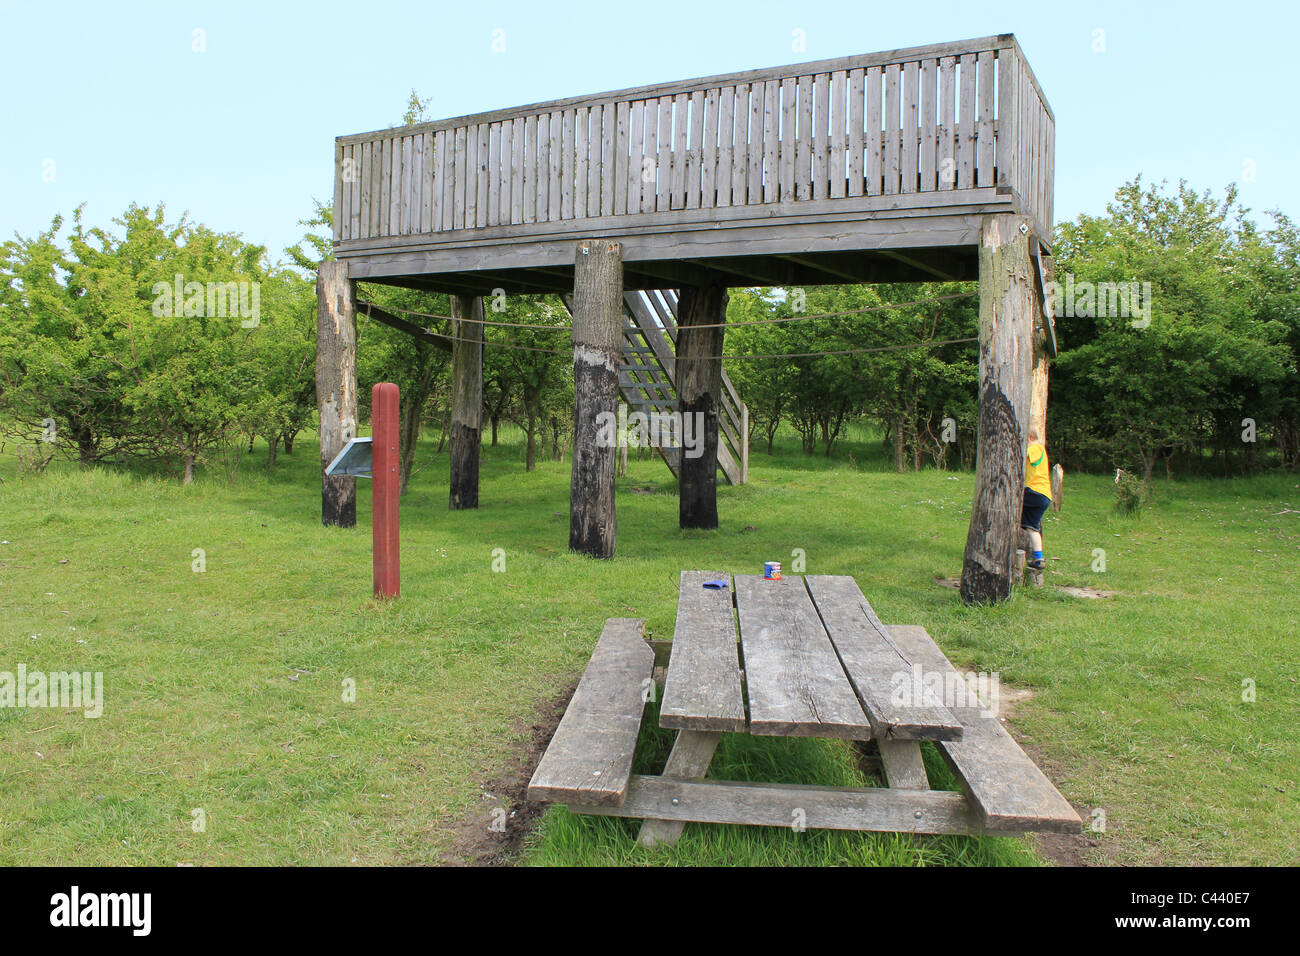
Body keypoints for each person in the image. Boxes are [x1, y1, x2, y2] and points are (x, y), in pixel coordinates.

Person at [1022, 428, 1052, 571]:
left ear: (1028, 438)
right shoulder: (1037, 449)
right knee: (1031, 528)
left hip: (1035, 491)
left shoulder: (1036, 447)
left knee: (1010, 503)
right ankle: (1038, 558)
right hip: (1044, 496)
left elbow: (1024, 454)